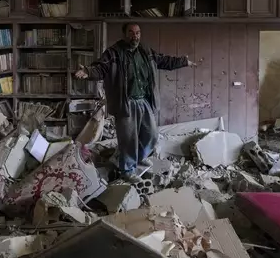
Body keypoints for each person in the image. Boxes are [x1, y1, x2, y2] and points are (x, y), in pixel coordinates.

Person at [75, 23, 195, 183]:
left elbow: (163, 61)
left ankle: (138, 158)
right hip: (126, 102)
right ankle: (127, 170)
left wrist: (183, 62)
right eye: (131, 33)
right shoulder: (114, 53)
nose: (135, 36)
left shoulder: (145, 52)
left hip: (144, 100)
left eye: (137, 33)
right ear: (124, 34)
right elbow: (101, 68)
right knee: (128, 139)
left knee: (151, 136)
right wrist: (88, 72)